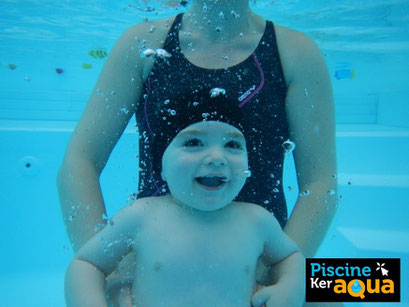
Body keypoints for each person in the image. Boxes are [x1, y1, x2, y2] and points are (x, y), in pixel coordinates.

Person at [57, 0, 337, 304]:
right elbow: (79, 163)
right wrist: (110, 276)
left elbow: (321, 184)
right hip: (162, 264)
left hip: (268, 257)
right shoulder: (141, 44)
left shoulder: (296, 52)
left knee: (364, 282)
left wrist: (283, 278)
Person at [65, 95, 305, 307]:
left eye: (232, 144)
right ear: (161, 166)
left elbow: (292, 257)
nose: (217, 157)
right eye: (193, 143)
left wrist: (292, 287)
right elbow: (87, 263)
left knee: (331, 295)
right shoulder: (142, 215)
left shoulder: (257, 220)